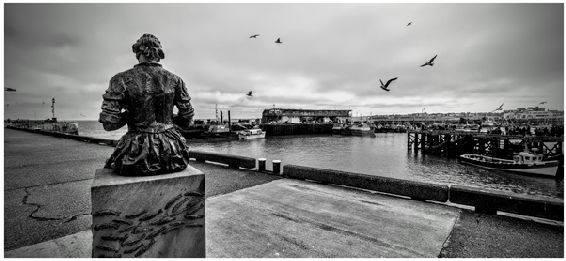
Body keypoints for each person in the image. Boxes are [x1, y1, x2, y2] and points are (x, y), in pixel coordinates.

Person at [99, 33, 194, 176]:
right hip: (173, 154)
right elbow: (187, 120)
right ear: (159, 53)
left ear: (138, 53)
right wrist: (167, 117)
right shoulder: (176, 80)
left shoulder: (120, 79)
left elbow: (109, 124)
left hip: (135, 153)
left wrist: (133, 115)